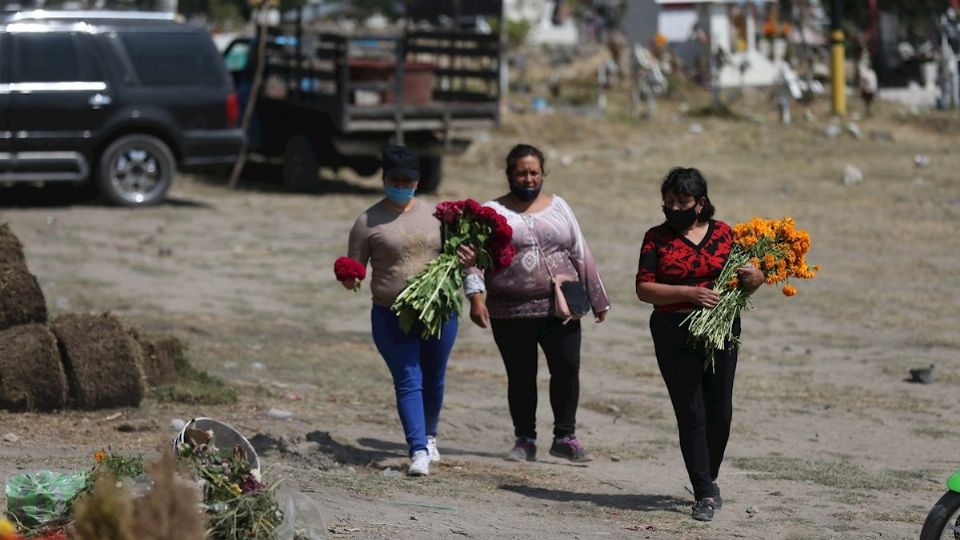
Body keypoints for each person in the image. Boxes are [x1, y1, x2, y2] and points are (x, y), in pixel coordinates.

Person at [463, 143, 610, 463]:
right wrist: (475, 298)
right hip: (509, 310)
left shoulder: (559, 207)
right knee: (520, 375)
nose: (528, 178)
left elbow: (580, 251)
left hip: (560, 307)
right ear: (509, 175)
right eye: (521, 173)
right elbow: (471, 259)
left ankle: (565, 437)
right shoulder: (491, 212)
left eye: (534, 172)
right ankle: (525, 439)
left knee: (567, 370)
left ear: (543, 174)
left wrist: (598, 298)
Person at [635, 167, 764, 522]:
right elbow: (644, 288)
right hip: (672, 330)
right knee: (690, 412)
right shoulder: (655, 238)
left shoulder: (725, 234)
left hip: (721, 330)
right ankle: (704, 492)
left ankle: (709, 475)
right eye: (669, 202)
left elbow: (749, 276)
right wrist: (687, 293)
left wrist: (758, 277)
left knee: (719, 410)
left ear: (700, 203)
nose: (674, 208)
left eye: (682, 202)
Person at [339, 144, 473, 477]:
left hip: (439, 312)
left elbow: (457, 254)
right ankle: (417, 451)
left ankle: (430, 435)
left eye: (408, 180)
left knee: (434, 377)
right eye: (394, 179)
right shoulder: (367, 221)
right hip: (390, 315)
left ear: (417, 181)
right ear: (384, 179)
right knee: (408, 378)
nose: (402, 185)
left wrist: (468, 263)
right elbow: (354, 266)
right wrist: (349, 278)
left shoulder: (438, 215)